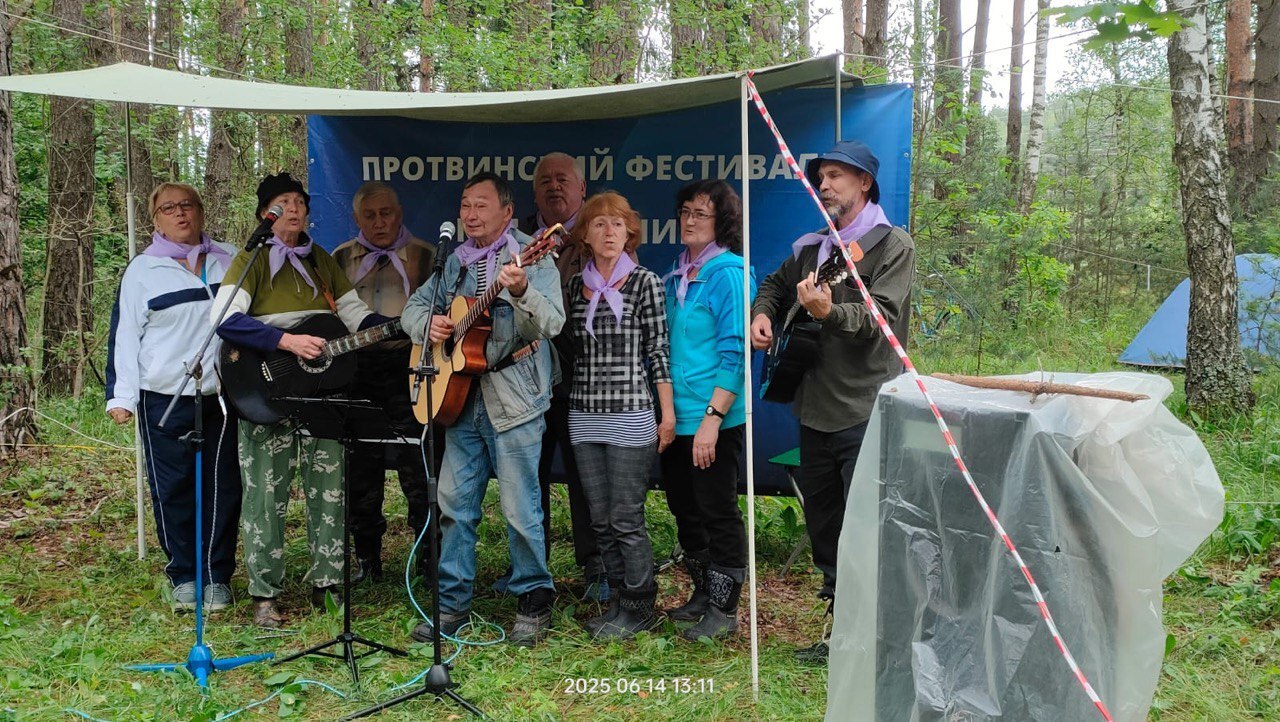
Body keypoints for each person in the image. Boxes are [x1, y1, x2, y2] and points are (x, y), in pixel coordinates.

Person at [749, 140, 916, 663]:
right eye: (820, 178)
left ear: (864, 183)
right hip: (814, 409)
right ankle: (840, 627)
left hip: (867, 408)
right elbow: (775, 286)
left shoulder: (893, 246)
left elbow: (881, 321)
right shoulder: (811, 247)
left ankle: (880, 637)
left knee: (869, 523)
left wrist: (828, 313)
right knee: (825, 522)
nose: (824, 185)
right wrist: (763, 315)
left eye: (836, 177)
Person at [211, 172, 389, 629]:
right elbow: (226, 320)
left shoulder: (322, 262)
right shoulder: (251, 260)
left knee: (329, 489)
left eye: (299, 202)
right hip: (264, 390)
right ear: (265, 214)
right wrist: (286, 342)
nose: (293, 208)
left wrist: (395, 325)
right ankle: (264, 594)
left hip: (323, 395)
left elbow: (353, 314)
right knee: (265, 494)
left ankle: (327, 585)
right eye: (282, 202)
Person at [401, 172, 564, 646]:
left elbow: (552, 322)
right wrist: (427, 325)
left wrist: (519, 291)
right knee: (454, 504)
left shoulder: (533, 255)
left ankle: (534, 600)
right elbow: (413, 310)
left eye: (481, 206)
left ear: (507, 213)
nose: (470, 215)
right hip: (459, 397)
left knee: (520, 507)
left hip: (515, 397)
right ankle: (451, 604)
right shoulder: (452, 262)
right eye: (465, 206)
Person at [106, 183, 241, 613]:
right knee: (174, 487)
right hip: (163, 394)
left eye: (187, 206)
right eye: (169, 208)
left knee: (223, 486)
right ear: (156, 219)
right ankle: (185, 575)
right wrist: (121, 397)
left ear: (200, 212)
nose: (180, 214)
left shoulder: (229, 257)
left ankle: (217, 576)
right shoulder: (143, 270)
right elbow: (125, 336)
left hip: (221, 394)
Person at [564, 191, 675, 639]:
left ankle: (640, 604)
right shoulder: (575, 286)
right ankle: (614, 602)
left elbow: (659, 351)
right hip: (583, 413)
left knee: (626, 517)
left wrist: (666, 415)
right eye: (598, 224)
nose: (609, 232)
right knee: (599, 517)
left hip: (631, 412)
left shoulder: (645, 282)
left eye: (617, 224)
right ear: (585, 236)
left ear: (630, 232)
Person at [659, 179, 754, 641]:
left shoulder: (730, 273)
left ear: (723, 222)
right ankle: (702, 592)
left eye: (701, 213)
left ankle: (724, 610)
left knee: (717, 510)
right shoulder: (676, 274)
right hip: (675, 418)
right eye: (686, 212)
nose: (689, 220)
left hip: (713, 419)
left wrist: (712, 421)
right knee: (684, 508)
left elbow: (737, 354)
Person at [332, 181, 437, 583]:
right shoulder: (339, 258)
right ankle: (367, 559)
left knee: (418, 463)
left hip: (410, 367)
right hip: (355, 371)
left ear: (400, 213)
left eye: (386, 213)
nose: (379, 222)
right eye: (370, 215)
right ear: (357, 218)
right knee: (361, 467)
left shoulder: (427, 256)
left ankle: (427, 558)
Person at [514, 152, 608, 601]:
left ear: (582, 189)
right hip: (523, 377)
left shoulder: (597, 234)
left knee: (583, 472)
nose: (554, 187)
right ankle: (533, 569)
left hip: (578, 375)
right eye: (545, 181)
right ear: (533, 193)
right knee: (528, 472)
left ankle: (596, 568)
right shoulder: (514, 241)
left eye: (563, 180)